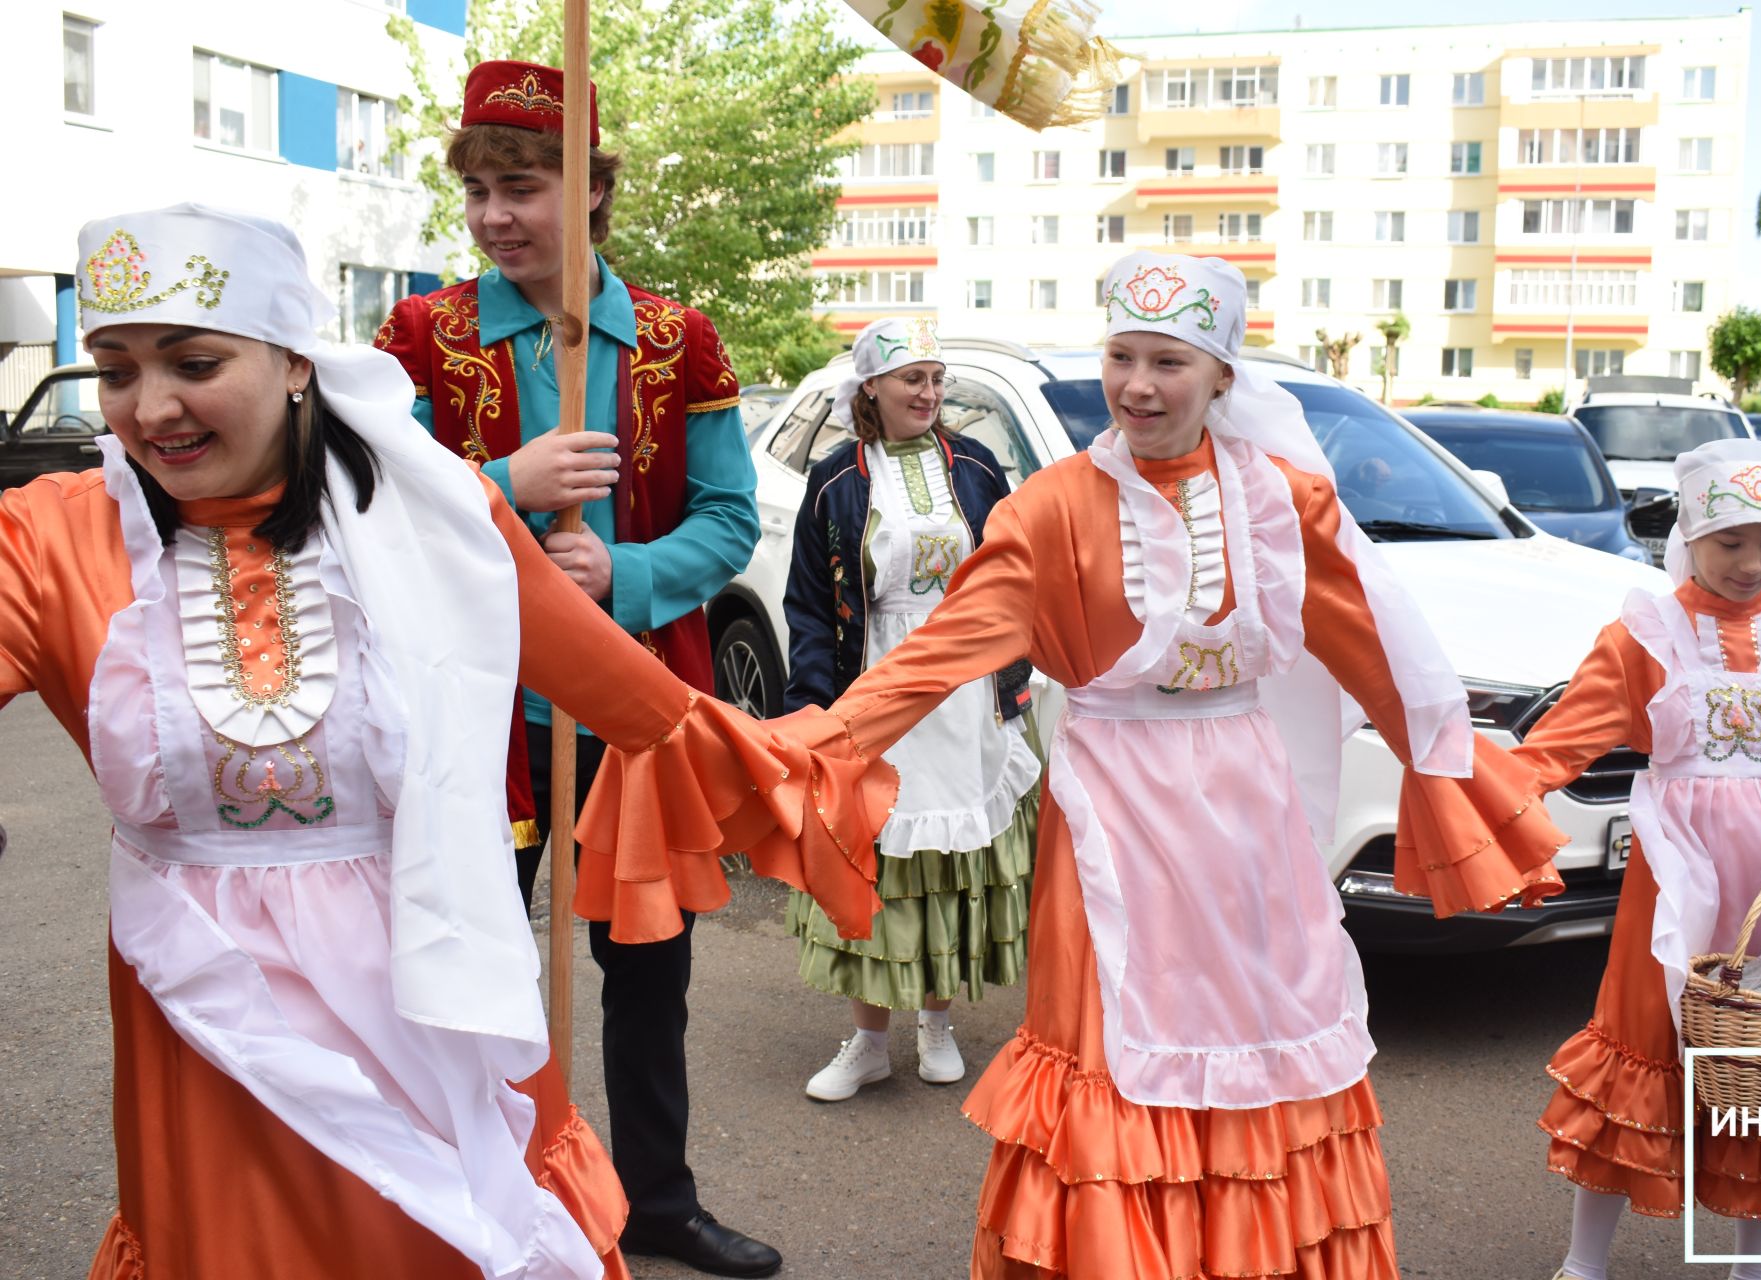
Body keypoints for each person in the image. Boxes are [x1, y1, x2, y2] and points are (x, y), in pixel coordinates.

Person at [0, 205, 891, 1280]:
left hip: (430, 995)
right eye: (114, 368)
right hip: (208, 1046)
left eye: (193, 361)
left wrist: (842, 749)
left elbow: (647, 710)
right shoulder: (54, 536)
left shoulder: (434, 514)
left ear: (294, 360)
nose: (149, 408)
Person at [795, 252, 1570, 1278]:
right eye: (1122, 356)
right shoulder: (1052, 506)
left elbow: (1369, 647)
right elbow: (934, 656)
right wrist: (805, 751)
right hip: (1113, 804)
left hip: (1250, 812)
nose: (1139, 385)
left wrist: (1458, 776)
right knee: (1112, 1043)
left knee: (1264, 1024)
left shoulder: (1284, 502)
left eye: (1169, 360)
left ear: (1222, 379)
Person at [373, 60, 774, 1277]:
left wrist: (623, 579)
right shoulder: (422, 337)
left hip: (628, 713)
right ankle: (483, 1198)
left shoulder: (675, 340)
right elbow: (373, 501)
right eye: (481, 189)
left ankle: (654, 1197)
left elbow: (730, 516)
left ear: (593, 189)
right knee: (469, 970)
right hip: (475, 719)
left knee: (649, 978)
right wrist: (504, 488)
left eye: (527, 184)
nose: (498, 215)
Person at [1509, 439, 1761, 1280]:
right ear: (1689, 532)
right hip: (1674, 862)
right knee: (1642, 1039)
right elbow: (1561, 741)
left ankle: (1753, 1262)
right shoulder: (1644, 632)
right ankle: (1585, 1260)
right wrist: (1489, 797)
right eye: (1729, 542)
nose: (1751, 562)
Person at [781, 318, 1042, 1102]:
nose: (928, 394)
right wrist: (814, 711)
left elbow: (1011, 579)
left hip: (966, 688)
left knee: (952, 869)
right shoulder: (835, 479)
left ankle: (936, 1026)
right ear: (871, 390)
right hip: (880, 687)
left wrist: (1014, 682)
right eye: (911, 381)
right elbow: (808, 607)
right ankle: (867, 1041)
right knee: (881, 865)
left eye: (936, 380)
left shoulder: (976, 467)